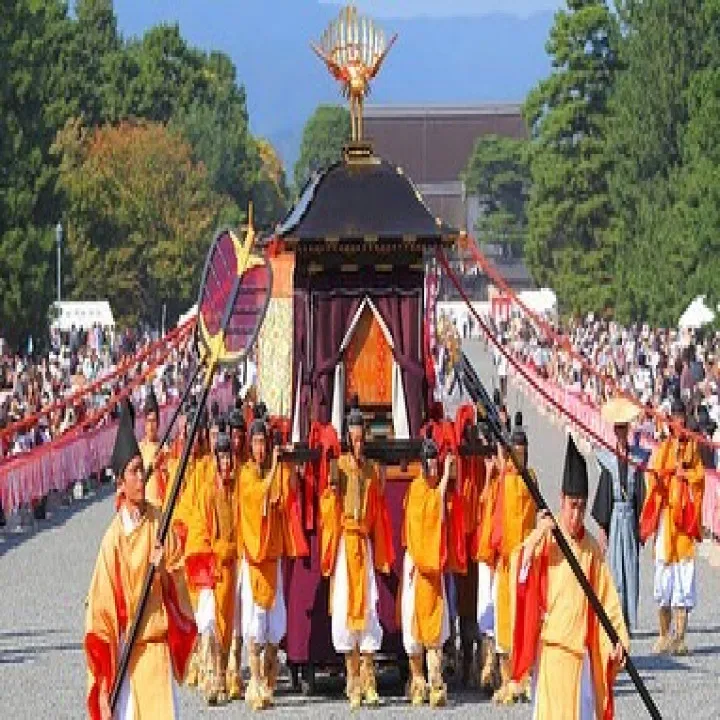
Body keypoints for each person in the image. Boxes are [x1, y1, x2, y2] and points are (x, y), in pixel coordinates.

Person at [84, 400, 197, 720]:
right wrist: (103, 681)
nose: (140, 477)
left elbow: (180, 578)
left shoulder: (159, 523)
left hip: (156, 652)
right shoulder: (112, 540)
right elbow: (100, 615)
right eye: (133, 472)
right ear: (120, 482)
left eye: (140, 470)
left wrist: (163, 569)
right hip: (128, 654)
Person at [511, 434, 629, 720]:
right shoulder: (548, 538)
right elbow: (519, 569)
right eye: (571, 505)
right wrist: (539, 534)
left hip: (581, 658)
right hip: (552, 652)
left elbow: (607, 599)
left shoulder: (591, 548)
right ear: (561, 500)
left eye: (581, 506)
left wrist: (619, 639)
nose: (576, 514)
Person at [319, 397, 394, 709]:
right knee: (346, 605)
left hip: (362, 542)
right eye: (354, 437)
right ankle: (352, 680)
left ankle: (369, 679)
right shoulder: (340, 468)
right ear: (349, 438)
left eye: (362, 436)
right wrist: (332, 495)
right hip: (345, 543)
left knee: (369, 607)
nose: (359, 442)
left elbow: (378, 513)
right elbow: (328, 507)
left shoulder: (372, 471)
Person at [237, 405, 307, 710]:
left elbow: (283, 495)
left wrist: (286, 464)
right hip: (254, 558)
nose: (260, 449)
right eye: (256, 443)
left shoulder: (273, 471)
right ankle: (254, 683)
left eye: (263, 442)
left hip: (273, 559)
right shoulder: (246, 475)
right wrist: (276, 468)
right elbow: (257, 498)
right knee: (254, 626)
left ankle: (267, 679)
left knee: (273, 627)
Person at [640, 396, 705, 655]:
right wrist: (661, 478)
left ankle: (681, 636)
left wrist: (685, 475)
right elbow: (651, 477)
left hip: (684, 525)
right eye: (674, 419)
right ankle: (664, 634)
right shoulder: (663, 449)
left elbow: (699, 478)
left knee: (684, 579)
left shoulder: (693, 450)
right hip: (667, 521)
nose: (677, 423)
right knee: (663, 579)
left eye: (680, 418)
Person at [185, 428, 239, 705]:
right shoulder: (208, 492)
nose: (226, 463)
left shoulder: (235, 490)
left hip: (232, 564)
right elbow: (200, 531)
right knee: (210, 623)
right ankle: (211, 680)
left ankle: (224, 676)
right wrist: (212, 555)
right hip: (213, 566)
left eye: (229, 457)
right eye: (222, 458)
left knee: (228, 623)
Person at [402, 429, 454, 707]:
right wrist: (445, 477)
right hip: (418, 563)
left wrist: (444, 480)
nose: (434, 469)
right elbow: (429, 515)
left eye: (437, 465)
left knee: (435, 625)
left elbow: (440, 518)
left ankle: (435, 680)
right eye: (431, 465)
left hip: (434, 566)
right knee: (414, 625)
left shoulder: (434, 490)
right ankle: (418, 680)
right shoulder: (417, 490)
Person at [490, 412, 537, 705]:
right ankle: (508, 678)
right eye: (514, 453)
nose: (518, 458)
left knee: (526, 617)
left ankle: (527, 676)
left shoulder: (529, 478)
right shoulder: (504, 479)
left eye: (522, 453)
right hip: (507, 560)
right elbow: (496, 518)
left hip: (525, 558)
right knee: (504, 618)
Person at [591, 397, 646, 634]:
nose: (622, 432)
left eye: (625, 427)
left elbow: (642, 493)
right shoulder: (607, 459)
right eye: (618, 428)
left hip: (630, 515)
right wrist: (603, 529)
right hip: (615, 517)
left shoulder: (638, 458)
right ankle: (615, 618)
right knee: (615, 569)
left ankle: (629, 619)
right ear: (615, 430)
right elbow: (604, 493)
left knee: (631, 568)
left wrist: (643, 525)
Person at [139, 387, 163, 508]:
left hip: (160, 505)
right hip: (145, 505)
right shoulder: (139, 448)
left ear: (158, 423)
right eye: (148, 421)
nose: (151, 426)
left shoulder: (165, 449)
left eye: (154, 421)